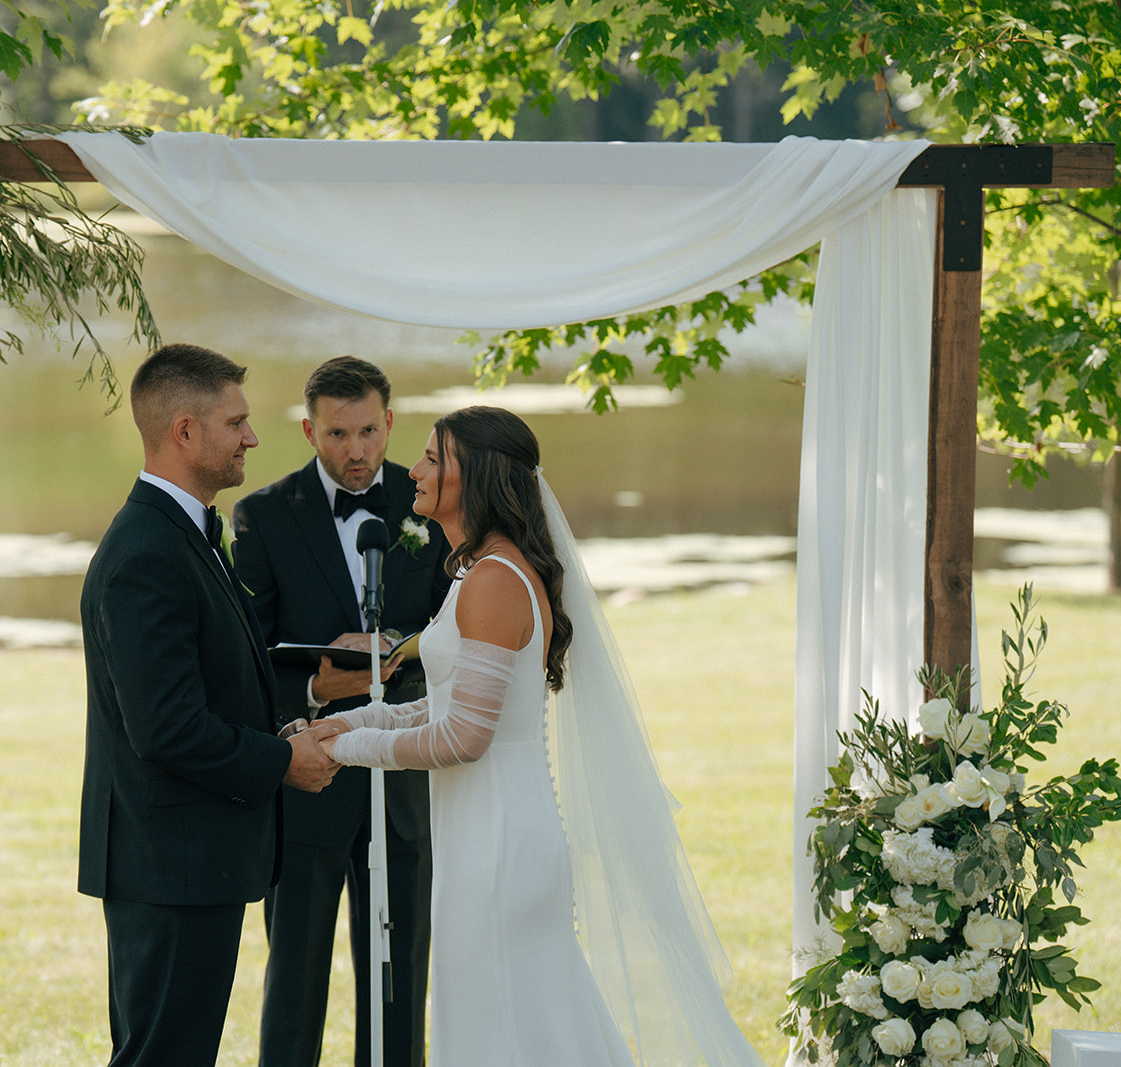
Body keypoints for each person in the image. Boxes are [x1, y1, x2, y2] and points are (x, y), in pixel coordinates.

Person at [314, 406, 763, 1067]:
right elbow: (441, 709)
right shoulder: (480, 572)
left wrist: (343, 750)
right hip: (484, 837)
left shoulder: (495, 581)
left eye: (434, 458)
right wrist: (342, 723)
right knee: (528, 1031)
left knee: (507, 1036)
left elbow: (464, 736)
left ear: (479, 476)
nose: (414, 468)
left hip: (498, 846)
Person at [77, 342, 342, 1067]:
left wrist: (283, 724)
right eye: (237, 422)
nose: (253, 437)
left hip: (192, 859)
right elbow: (165, 727)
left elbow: (206, 687)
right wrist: (281, 760)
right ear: (185, 431)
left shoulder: (186, 533)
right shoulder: (146, 554)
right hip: (170, 863)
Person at [232, 356, 451, 1067]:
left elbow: (458, 625)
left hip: (404, 781)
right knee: (293, 981)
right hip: (310, 778)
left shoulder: (428, 503)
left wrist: (401, 652)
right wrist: (316, 692)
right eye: (336, 434)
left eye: (367, 431)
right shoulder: (262, 516)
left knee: (400, 981)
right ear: (308, 429)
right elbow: (248, 654)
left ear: (389, 423)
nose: (355, 451)